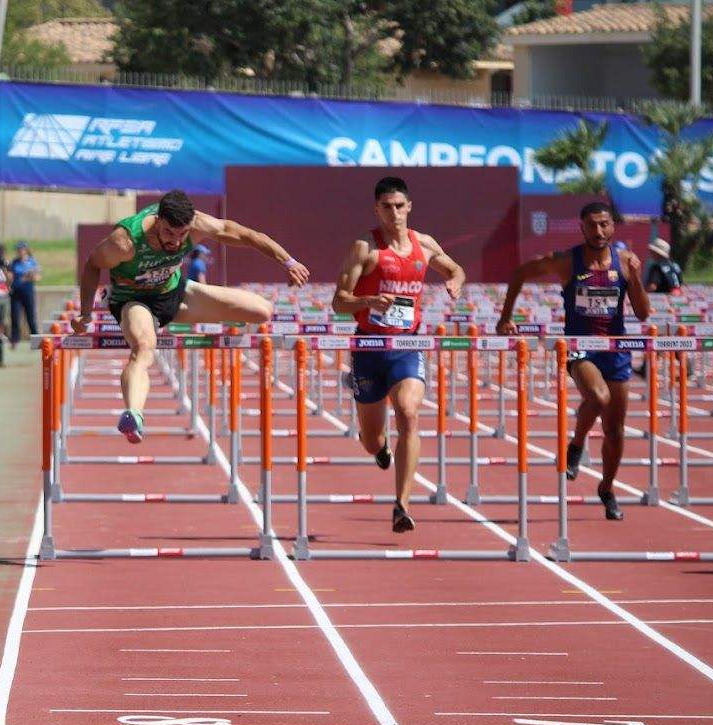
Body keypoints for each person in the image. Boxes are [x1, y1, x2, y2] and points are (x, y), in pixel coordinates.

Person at [73, 190, 310, 443]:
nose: (176, 242)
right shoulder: (125, 242)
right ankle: (134, 414)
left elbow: (246, 235)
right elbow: (92, 265)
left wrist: (289, 262)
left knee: (262, 311)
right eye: (169, 233)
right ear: (157, 221)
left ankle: (172, 315)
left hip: (175, 293)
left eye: (182, 234)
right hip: (135, 301)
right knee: (143, 347)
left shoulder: (199, 223)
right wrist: (85, 314)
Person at [497, 200, 651, 521]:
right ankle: (577, 444)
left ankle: (607, 488)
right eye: (592, 225)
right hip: (579, 348)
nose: (598, 231)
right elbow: (520, 273)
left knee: (615, 430)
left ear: (613, 226)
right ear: (582, 228)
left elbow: (642, 313)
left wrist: (636, 278)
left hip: (615, 350)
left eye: (604, 224)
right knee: (598, 396)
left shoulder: (625, 262)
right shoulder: (567, 261)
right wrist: (505, 317)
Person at [330, 176, 466, 534]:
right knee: (371, 440)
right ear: (377, 209)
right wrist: (367, 301)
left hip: (407, 345)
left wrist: (455, 280)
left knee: (408, 412)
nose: (394, 213)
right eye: (387, 207)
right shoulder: (365, 248)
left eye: (399, 206)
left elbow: (455, 268)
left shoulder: (425, 244)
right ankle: (379, 450)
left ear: (409, 207)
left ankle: (402, 505)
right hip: (369, 348)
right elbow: (339, 301)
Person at [9, 241, 40, 348]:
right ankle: (14, 340)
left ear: (26, 250)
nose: (20, 251)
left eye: (21, 249)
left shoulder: (32, 262)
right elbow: (11, 276)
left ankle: (35, 340)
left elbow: (37, 277)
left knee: (30, 317)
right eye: (18, 250)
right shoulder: (14, 262)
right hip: (16, 293)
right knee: (15, 317)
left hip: (28, 292)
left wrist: (30, 277)